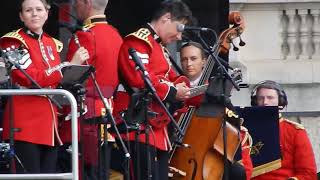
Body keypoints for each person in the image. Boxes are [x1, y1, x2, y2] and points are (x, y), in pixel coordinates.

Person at [0, 0, 88, 173]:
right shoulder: (13, 40)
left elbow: (54, 81)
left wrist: (72, 74)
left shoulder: (52, 43)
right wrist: (67, 67)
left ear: (47, 13)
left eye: (39, 9)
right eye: (28, 10)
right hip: (25, 123)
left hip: (50, 124)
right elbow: (30, 78)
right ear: (21, 16)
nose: (34, 14)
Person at [111, 1, 193, 179]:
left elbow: (172, 77)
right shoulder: (139, 40)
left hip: (156, 126)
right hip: (137, 125)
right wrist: (173, 91)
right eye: (179, 28)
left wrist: (186, 88)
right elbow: (140, 78)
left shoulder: (158, 46)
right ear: (166, 18)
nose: (180, 36)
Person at [58, 0, 123, 179]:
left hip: (84, 116)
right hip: (108, 113)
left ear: (87, 3)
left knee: (81, 173)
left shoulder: (85, 36)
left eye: (77, 2)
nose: (75, 6)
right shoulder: (116, 35)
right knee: (101, 172)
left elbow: (71, 79)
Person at [179, 41, 253, 180]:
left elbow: (232, 121)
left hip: (205, 150)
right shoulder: (174, 88)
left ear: (204, 62)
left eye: (193, 58)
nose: (188, 63)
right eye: (184, 59)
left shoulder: (215, 90)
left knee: (237, 172)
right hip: (178, 149)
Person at [251, 80, 317, 180]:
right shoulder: (245, 130)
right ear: (255, 102)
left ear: (280, 101)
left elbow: (308, 173)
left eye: (270, 98)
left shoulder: (295, 131)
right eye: (261, 98)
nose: (265, 102)